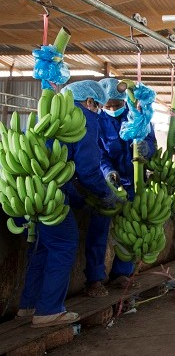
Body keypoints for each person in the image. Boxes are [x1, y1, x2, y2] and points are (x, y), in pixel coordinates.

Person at [17, 80, 123, 327]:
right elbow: (87, 170)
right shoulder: (83, 119)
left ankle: (28, 305)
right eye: (98, 106)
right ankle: (49, 311)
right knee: (65, 243)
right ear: (89, 102)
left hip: (30, 191)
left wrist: (79, 199)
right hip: (50, 193)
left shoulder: (52, 116)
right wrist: (104, 194)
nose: (99, 111)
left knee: (43, 248)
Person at [83, 77, 156, 296]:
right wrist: (107, 171)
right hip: (108, 183)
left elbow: (151, 143)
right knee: (99, 229)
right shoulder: (96, 122)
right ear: (102, 103)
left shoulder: (138, 116)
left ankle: (121, 273)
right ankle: (94, 279)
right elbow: (98, 152)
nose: (113, 109)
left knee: (131, 228)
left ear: (124, 100)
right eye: (108, 105)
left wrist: (145, 149)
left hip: (134, 181)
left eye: (117, 104)